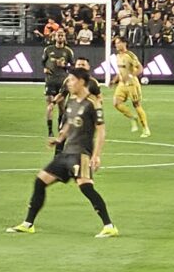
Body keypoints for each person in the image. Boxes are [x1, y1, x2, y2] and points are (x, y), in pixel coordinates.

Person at [6, 68, 118, 238]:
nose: (68, 83)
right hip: (66, 153)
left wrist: (96, 155)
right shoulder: (72, 100)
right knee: (40, 180)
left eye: (71, 80)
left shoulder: (93, 103)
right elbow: (69, 123)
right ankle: (28, 224)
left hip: (81, 154)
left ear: (81, 81)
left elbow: (101, 131)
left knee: (86, 188)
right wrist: (59, 139)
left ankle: (109, 226)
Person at [49, 57, 101, 155]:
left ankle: (86, 160)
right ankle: (58, 159)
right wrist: (53, 103)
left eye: (83, 65)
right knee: (62, 136)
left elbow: (99, 97)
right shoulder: (70, 80)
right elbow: (62, 94)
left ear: (88, 67)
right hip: (69, 113)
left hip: (84, 116)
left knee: (82, 139)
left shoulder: (93, 83)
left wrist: (95, 109)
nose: (81, 67)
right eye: (79, 65)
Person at [110, 36, 150, 137]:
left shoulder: (130, 55)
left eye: (118, 43)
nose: (116, 45)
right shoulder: (118, 56)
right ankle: (132, 117)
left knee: (136, 105)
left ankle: (146, 129)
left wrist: (131, 75)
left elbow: (140, 68)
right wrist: (114, 80)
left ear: (124, 43)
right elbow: (121, 72)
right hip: (122, 84)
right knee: (116, 103)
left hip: (132, 83)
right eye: (115, 43)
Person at [42, 31, 74, 136]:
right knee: (50, 104)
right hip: (50, 81)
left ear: (64, 38)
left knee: (61, 107)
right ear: (55, 37)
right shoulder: (48, 49)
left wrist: (65, 65)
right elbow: (43, 62)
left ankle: (60, 127)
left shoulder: (68, 51)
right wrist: (46, 69)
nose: (60, 37)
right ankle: (50, 131)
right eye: (58, 35)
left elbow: (72, 66)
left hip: (62, 82)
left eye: (62, 36)